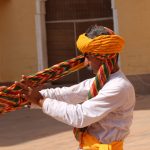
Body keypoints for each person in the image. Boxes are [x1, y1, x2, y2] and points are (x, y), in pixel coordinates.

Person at [16, 25, 135, 150]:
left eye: (88, 57)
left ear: (102, 57)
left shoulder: (118, 87)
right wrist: (24, 97)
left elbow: (80, 116)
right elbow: (67, 94)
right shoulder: (100, 81)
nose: (86, 62)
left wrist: (40, 100)